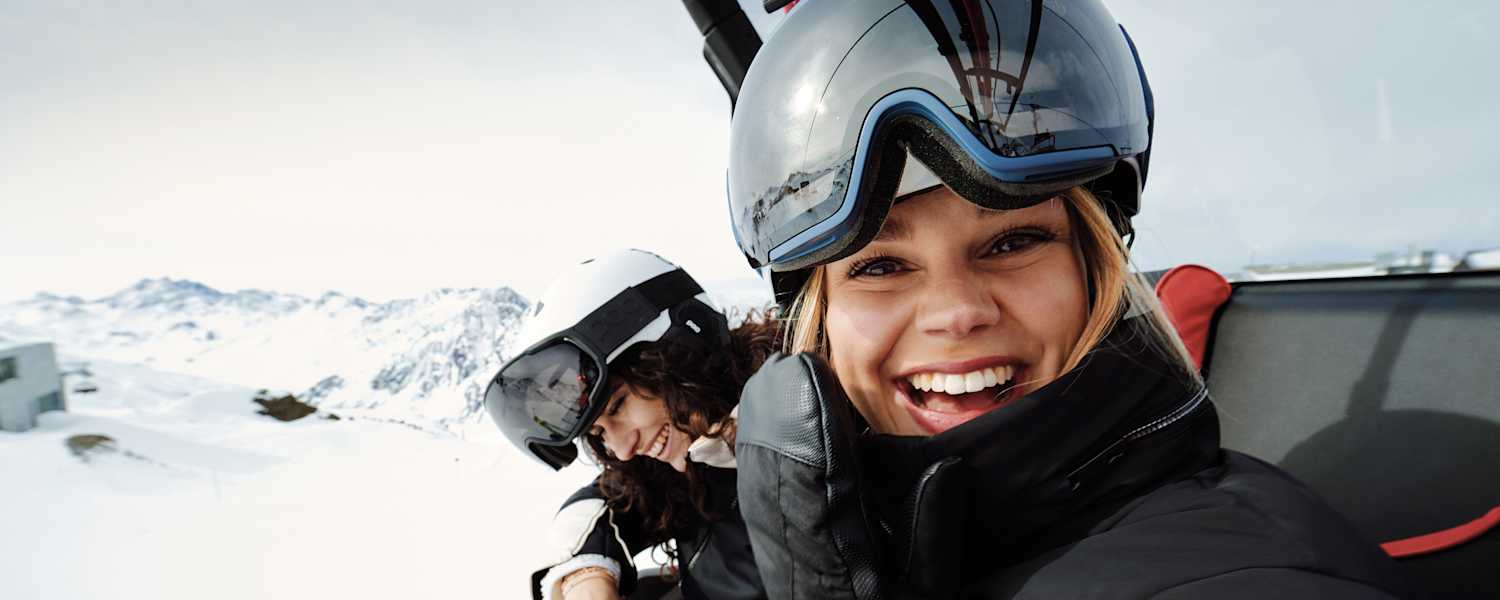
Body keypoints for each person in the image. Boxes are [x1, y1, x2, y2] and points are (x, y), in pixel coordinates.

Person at [723, 1, 1412, 598]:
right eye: (879, 268)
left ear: (1095, 268)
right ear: (821, 323)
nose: (956, 311)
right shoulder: (850, 535)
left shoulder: (1243, 569)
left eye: (1011, 242)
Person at [483, 249, 776, 600]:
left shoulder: (810, 427)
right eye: (600, 433)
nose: (623, 449)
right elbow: (609, 499)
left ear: (680, 352)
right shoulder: (688, 469)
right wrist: (586, 575)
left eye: (619, 405)